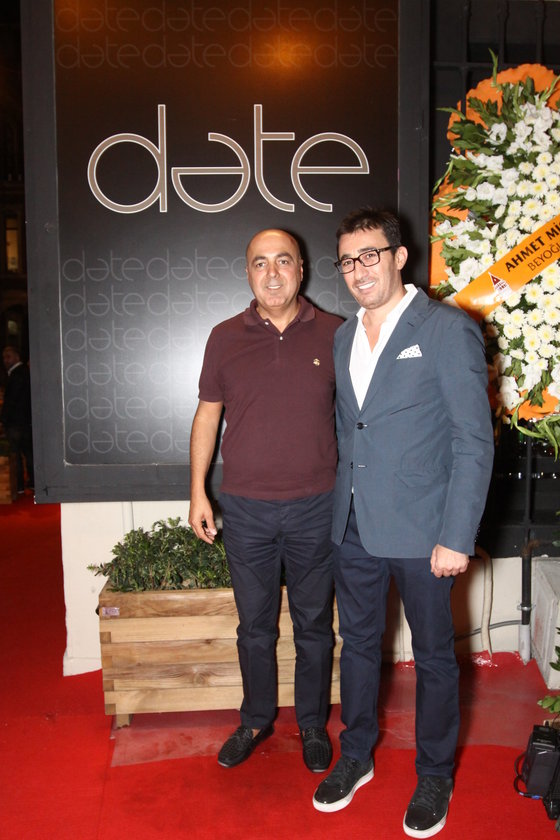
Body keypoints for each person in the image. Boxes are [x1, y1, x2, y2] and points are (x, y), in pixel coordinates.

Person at [312, 208, 494, 837]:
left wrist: (456, 535)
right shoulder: (343, 337)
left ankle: (435, 773)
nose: (358, 270)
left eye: (370, 255)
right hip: (353, 524)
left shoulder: (447, 328)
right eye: (347, 260)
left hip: (425, 530)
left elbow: (473, 441)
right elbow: (352, 430)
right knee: (358, 646)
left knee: (435, 656)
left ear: (398, 256)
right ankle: (356, 755)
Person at [188, 228, 342, 773]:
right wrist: (197, 490)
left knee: (314, 626)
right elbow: (207, 415)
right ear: (248, 272)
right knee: (254, 627)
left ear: (302, 268)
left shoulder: (337, 333)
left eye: (283, 261)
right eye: (260, 263)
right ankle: (254, 719)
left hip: (317, 507)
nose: (272, 273)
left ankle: (312, 723)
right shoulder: (224, 337)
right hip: (247, 509)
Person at [1, 345, 34, 494]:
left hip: (15, 422)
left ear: (16, 357)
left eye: (8, 357)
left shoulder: (16, 375)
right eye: (4, 357)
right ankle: (33, 482)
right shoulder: (26, 372)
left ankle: (19, 485)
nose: (5, 360)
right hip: (27, 421)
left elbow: (11, 401)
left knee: (15, 454)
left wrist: (3, 419)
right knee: (28, 452)